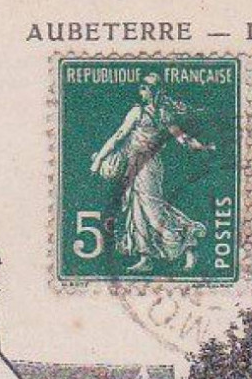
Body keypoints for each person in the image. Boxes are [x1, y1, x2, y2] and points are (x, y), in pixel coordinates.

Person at [90, 72, 216, 273]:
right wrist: (201, 147)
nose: (141, 90)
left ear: (152, 91)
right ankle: (145, 257)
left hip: (148, 166)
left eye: (145, 87)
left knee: (153, 211)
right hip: (137, 164)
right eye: (142, 87)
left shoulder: (147, 113)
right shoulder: (156, 113)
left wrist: (98, 160)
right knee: (137, 209)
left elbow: (119, 136)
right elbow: (182, 139)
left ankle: (188, 243)